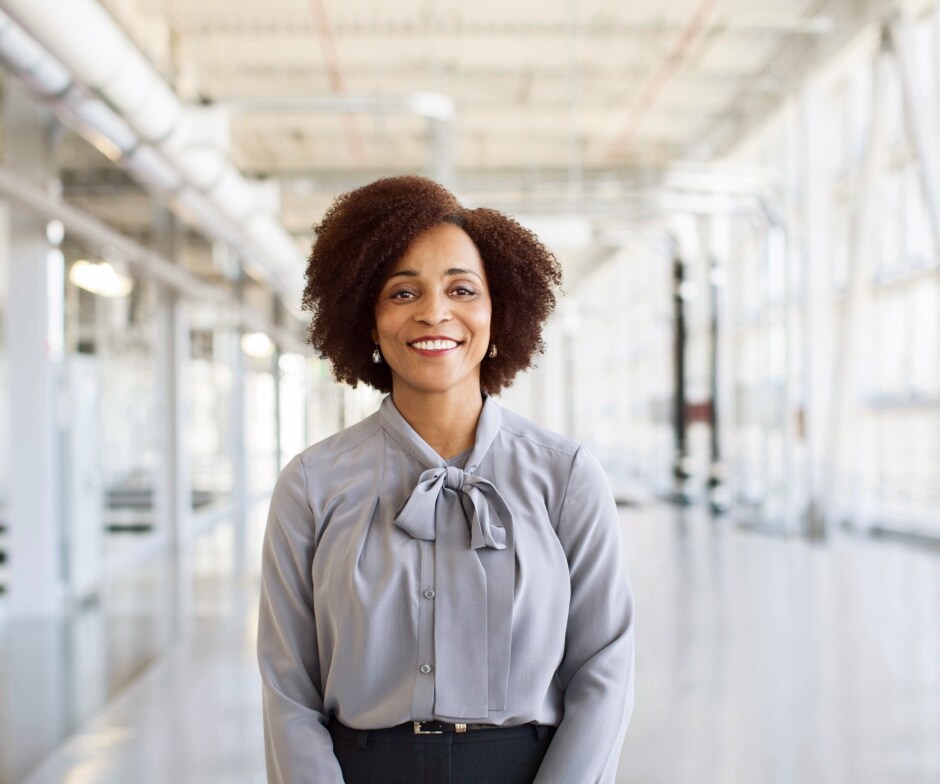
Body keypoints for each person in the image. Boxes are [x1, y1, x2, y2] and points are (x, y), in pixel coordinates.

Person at [258, 175, 635, 784]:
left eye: (462, 288)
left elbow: (605, 668)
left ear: (498, 311)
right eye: (402, 292)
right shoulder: (311, 485)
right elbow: (287, 687)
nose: (435, 311)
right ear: (368, 318)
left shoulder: (566, 476)